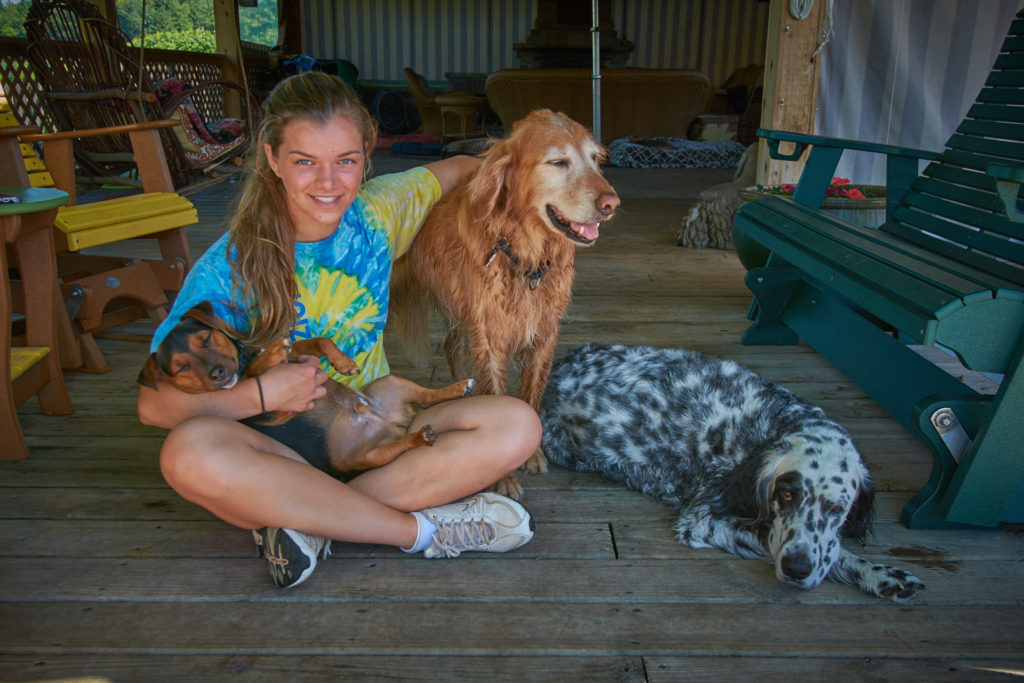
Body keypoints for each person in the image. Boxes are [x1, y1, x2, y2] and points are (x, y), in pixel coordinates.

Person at [137, 71, 541, 589]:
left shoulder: (378, 211)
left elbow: (465, 168)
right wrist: (260, 392)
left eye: (345, 161)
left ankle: (307, 521)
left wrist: (540, 188)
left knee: (518, 425)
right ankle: (420, 530)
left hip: (372, 428)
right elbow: (155, 408)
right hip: (276, 452)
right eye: (305, 162)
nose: (328, 183)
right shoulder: (229, 270)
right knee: (187, 454)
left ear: (366, 156)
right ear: (272, 159)